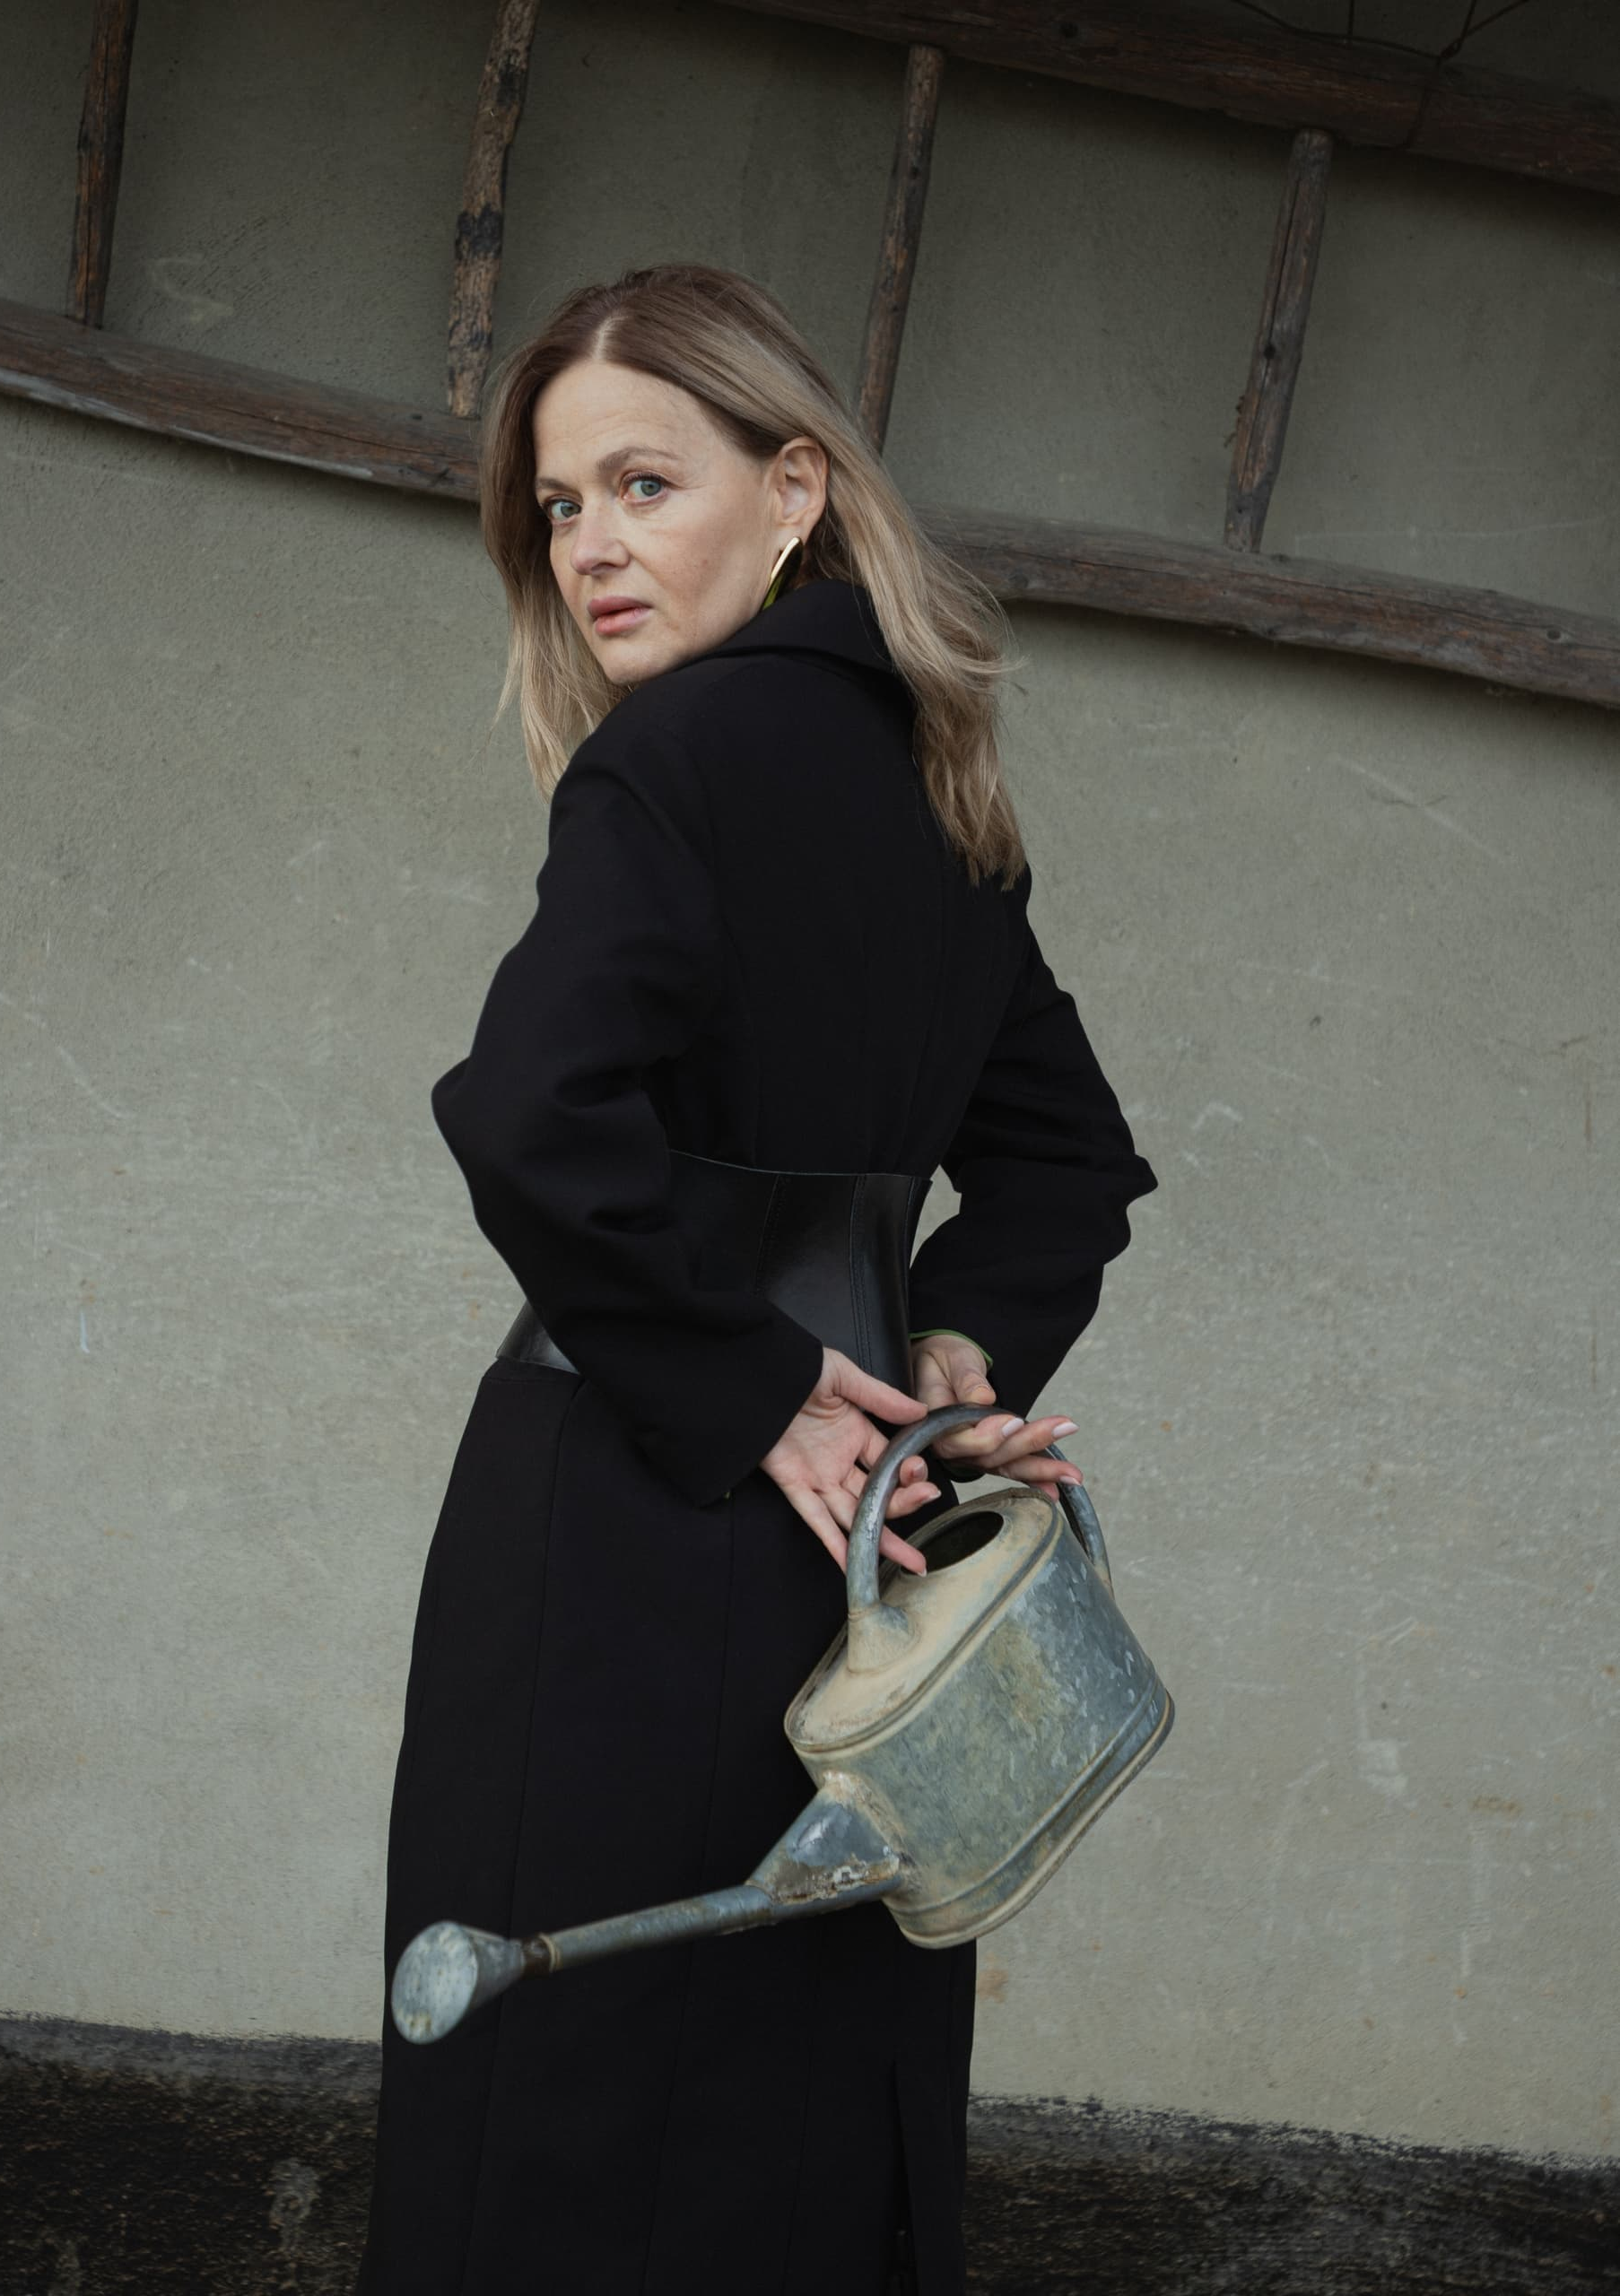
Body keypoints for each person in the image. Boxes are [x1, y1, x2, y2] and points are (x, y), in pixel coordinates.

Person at [356, 262, 1156, 2296]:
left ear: (794, 485)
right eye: (557, 506)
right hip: (858, 1540)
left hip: (621, 1516)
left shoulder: (673, 760)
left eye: (643, 479)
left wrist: (757, 1383)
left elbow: (526, 1110)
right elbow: (1066, 1159)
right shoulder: (941, 786)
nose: (592, 545)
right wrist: (935, 1362)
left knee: (553, 2084)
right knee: (800, 2086)